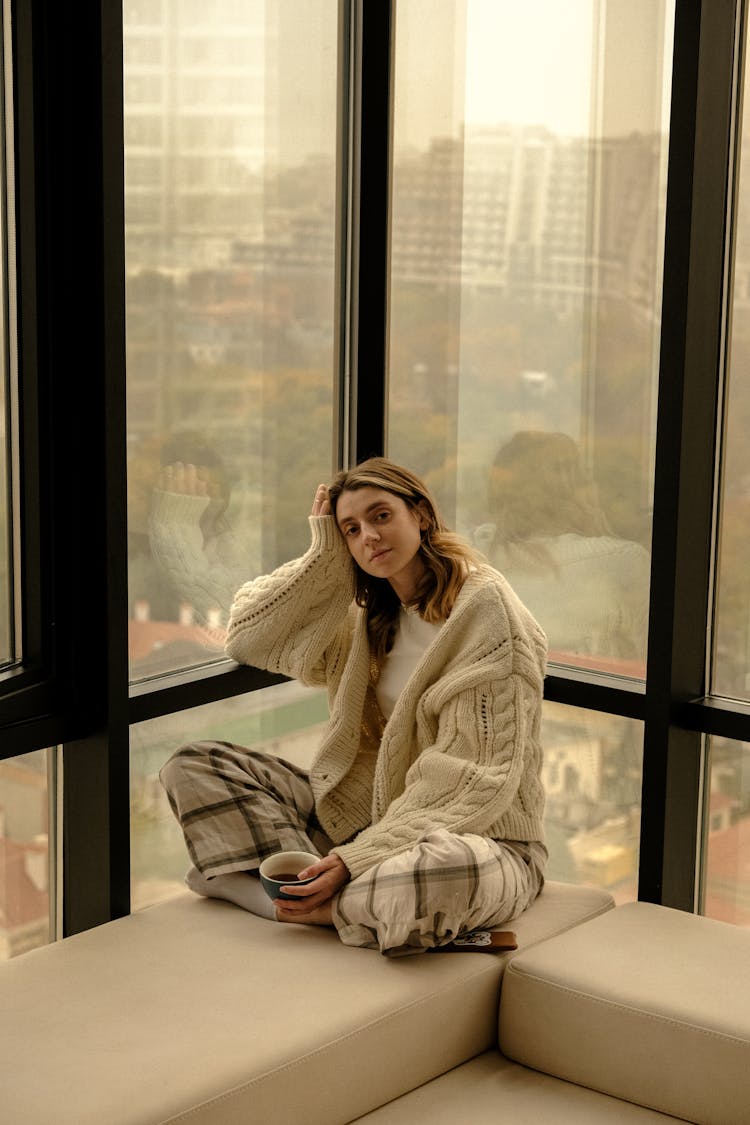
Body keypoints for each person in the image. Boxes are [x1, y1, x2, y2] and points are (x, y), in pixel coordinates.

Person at [160, 457, 548, 956]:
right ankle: (335, 902)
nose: (369, 535)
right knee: (195, 765)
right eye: (351, 528)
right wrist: (324, 557)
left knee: (448, 871)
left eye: (381, 516)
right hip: (360, 819)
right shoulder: (366, 612)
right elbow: (247, 640)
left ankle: (282, 902)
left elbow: (469, 778)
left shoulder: (485, 614)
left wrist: (353, 860)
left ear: (421, 515)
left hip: (483, 837)